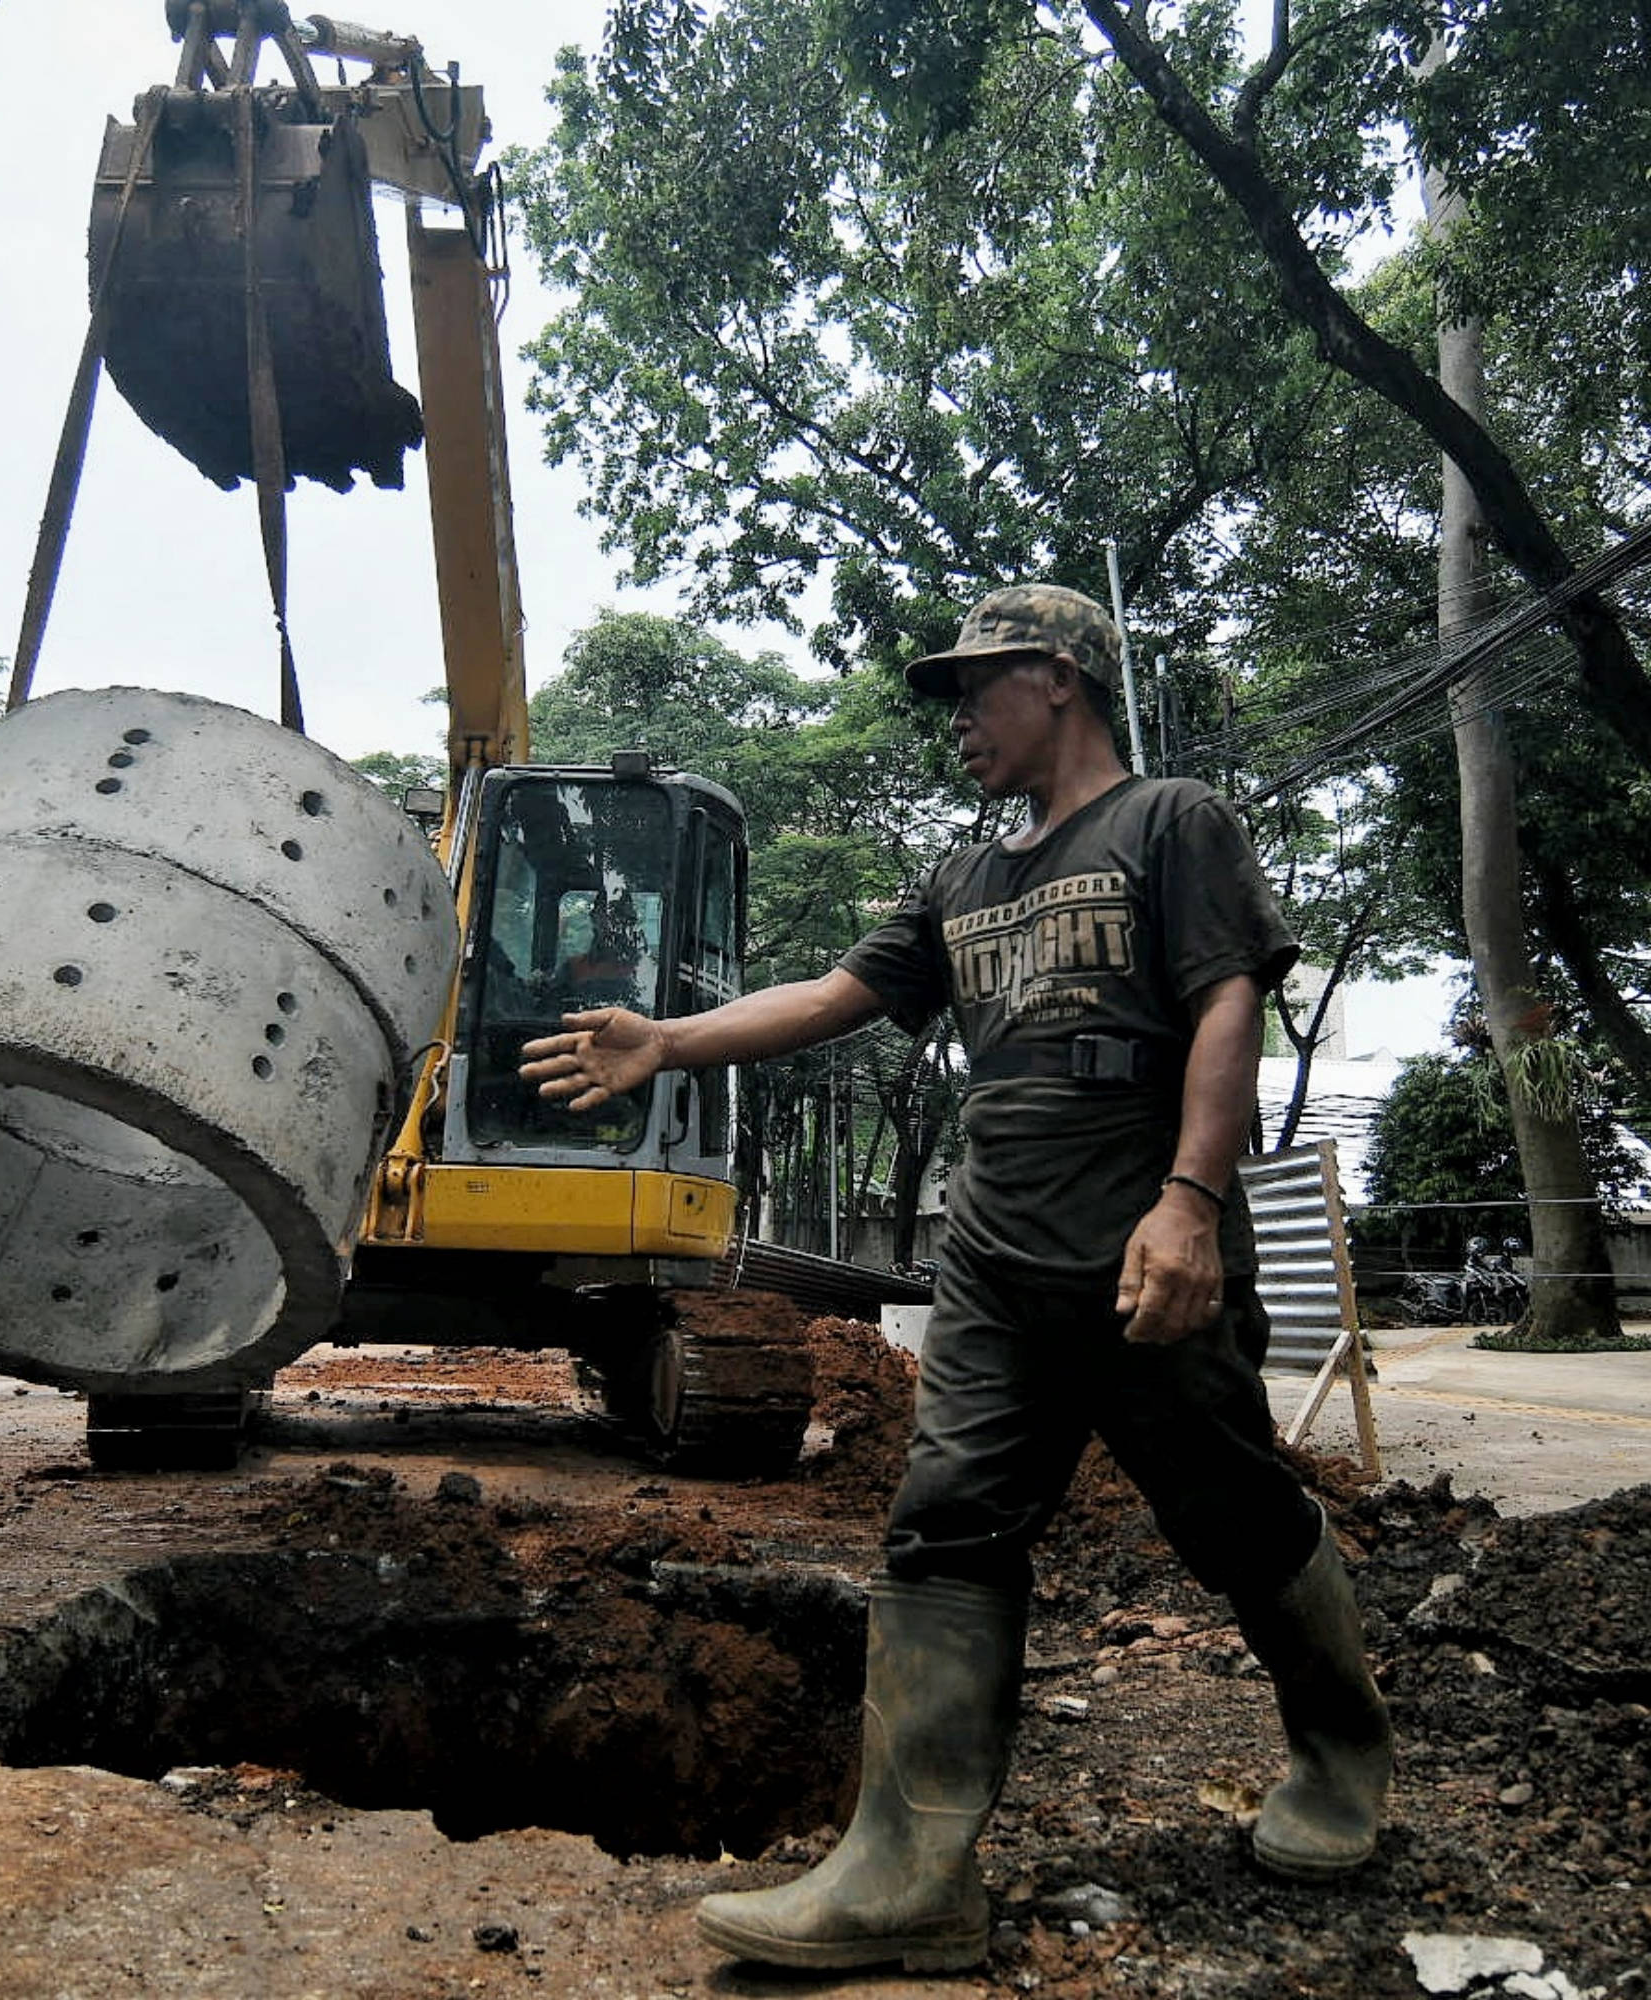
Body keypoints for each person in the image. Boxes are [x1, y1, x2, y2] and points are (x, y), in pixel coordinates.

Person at [521, 583, 1390, 1974]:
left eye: (977, 691)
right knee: (943, 1524)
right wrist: (667, 1042)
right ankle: (909, 1867)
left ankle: (1345, 1758)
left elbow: (1229, 1001)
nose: (959, 724)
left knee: (1231, 1509)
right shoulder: (965, 878)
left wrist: (1189, 1204)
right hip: (993, 1249)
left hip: (1137, 1240)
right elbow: (832, 996)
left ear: (1058, 679)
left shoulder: (1171, 823)